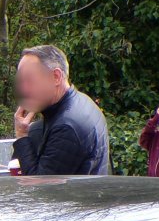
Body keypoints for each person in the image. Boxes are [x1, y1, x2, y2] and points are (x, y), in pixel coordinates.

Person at [11, 45, 110, 176]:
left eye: (30, 80)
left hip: (77, 196)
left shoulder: (66, 127)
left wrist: (22, 136)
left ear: (56, 77)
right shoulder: (81, 101)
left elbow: (40, 187)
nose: (24, 90)